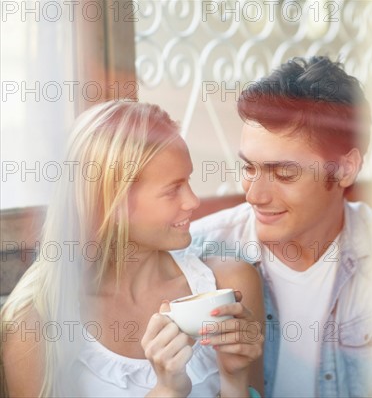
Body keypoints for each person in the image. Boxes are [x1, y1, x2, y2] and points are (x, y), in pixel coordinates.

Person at [0, 101, 264, 397]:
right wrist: (166, 391)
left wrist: (234, 378)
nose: (193, 201)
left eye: (187, 181)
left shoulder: (230, 286)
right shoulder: (34, 324)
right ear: (113, 203)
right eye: (172, 189)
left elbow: (249, 387)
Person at [184, 56, 372, 397]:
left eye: (284, 174)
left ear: (345, 169)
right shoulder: (195, 255)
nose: (254, 195)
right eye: (249, 168)